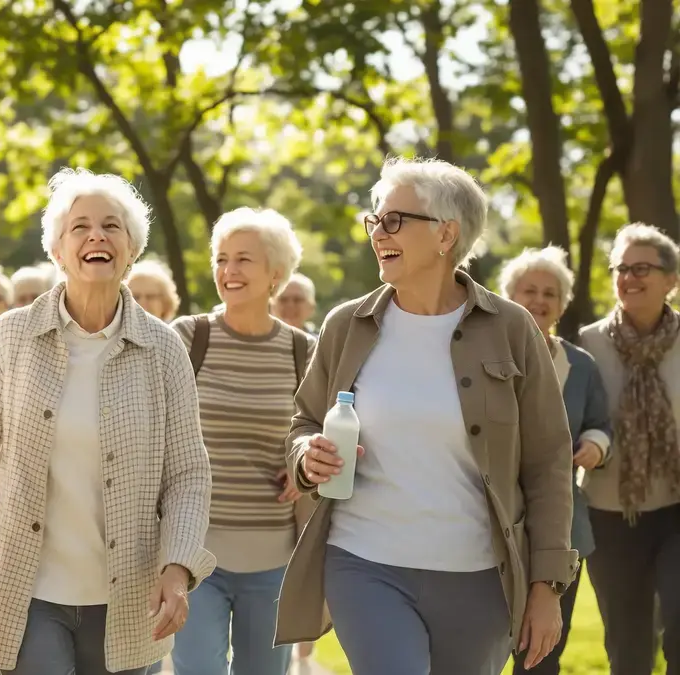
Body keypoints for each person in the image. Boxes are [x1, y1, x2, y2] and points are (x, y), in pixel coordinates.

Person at [274, 156, 578, 675]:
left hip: (480, 576)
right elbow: (304, 422)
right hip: (364, 561)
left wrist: (547, 584)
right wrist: (307, 457)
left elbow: (549, 463)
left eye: (395, 220)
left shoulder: (512, 329)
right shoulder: (347, 325)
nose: (377, 233)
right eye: (375, 219)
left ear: (446, 234)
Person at [0, 167, 216, 675]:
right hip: (27, 591)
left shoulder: (163, 349)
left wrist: (177, 568)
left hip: (129, 600)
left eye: (112, 226)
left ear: (131, 251)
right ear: (58, 250)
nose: (96, 236)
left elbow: (188, 474)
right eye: (79, 227)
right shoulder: (13, 336)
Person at [167, 207, 313, 675]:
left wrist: (304, 465)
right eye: (222, 259)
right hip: (193, 553)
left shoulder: (303, 351)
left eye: (243, 260)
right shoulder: (188, 338)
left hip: (274, 558)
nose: (228, 271)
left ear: (276, 273)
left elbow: (331, 432)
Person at [499, 246, 613, 675]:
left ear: (562, 305)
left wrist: (596, 445)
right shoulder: (482, 354)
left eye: (550, 293)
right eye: (529, 290)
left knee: (542, 654)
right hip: (491, 520)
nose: (539, 301)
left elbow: (601, 422)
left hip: (563, 528)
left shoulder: (580, 365)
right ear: (508, 296)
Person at [578, 222, 680, 675]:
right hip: (609, 512)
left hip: (677, 507)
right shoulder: (587, 345)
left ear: (671, 280)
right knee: (628, 642)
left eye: (642, 268)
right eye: (622, 268)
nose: (629, 277)